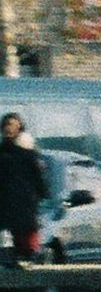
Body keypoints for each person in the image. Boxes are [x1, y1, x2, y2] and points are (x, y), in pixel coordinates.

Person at [0, 110, 45, 263]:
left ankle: (30, 256)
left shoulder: (27, 152)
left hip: (24, 201)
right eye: (6, 125)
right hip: (6, 202)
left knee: (27, 234)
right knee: (11, 234)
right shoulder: (2, 152)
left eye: (12, 125)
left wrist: (41, 195)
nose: (8, 128)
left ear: (19, 128)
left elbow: (38, 177)